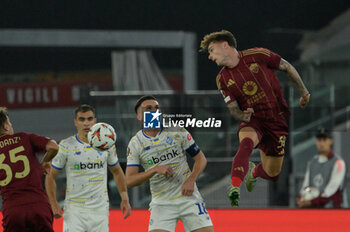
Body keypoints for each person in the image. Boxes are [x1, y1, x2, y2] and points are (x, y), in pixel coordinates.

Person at [200, 30, 311, 206]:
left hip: (276, 119)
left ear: (225, 45)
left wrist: (304, 92)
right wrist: (241, 115)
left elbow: (287, 67)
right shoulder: (222, 79)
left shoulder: (258, 54)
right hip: (252, 119)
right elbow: (232, 108)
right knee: (246, 143)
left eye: (212, 50)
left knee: (273, 173)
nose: (210, 56)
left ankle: (254, 172)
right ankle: (234, 186)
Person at [126, 95, 213, 232]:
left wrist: (191, 180)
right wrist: (154, 170)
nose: (154, 111)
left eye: (157, 108)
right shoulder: (135, 143)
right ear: (139, 116)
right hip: (162, 203)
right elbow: (129, 180)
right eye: (148, 108)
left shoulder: (176, 130)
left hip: (189, 199)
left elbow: (201, 159)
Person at [45, 104, 131, 232]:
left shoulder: (106, 144)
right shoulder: (66, 145)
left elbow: (117, 171)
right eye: (82, 119)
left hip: (100, 210)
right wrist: (53, 203)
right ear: (75, 122)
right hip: (74, 211)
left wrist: (124, 198)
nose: (86, 123)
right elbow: (50, 175)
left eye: (89, 119)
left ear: (95, 121)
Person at [0, 107, 59, 232]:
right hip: (38, 205)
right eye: (10, 123)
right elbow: (54, 147)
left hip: (12, 209)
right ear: (6, 126)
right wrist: (46, 161)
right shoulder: (24, 138)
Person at [297, 128, 346, 208]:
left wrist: (311, 201)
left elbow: (331, 190)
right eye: (319, 140)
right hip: (314, 208)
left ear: (331, 141)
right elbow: (305, 186)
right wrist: (303, 196)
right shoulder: (312, 162)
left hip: (332, 210)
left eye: (324, 139)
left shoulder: (338, 163)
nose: (322, 143)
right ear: (316, 142)